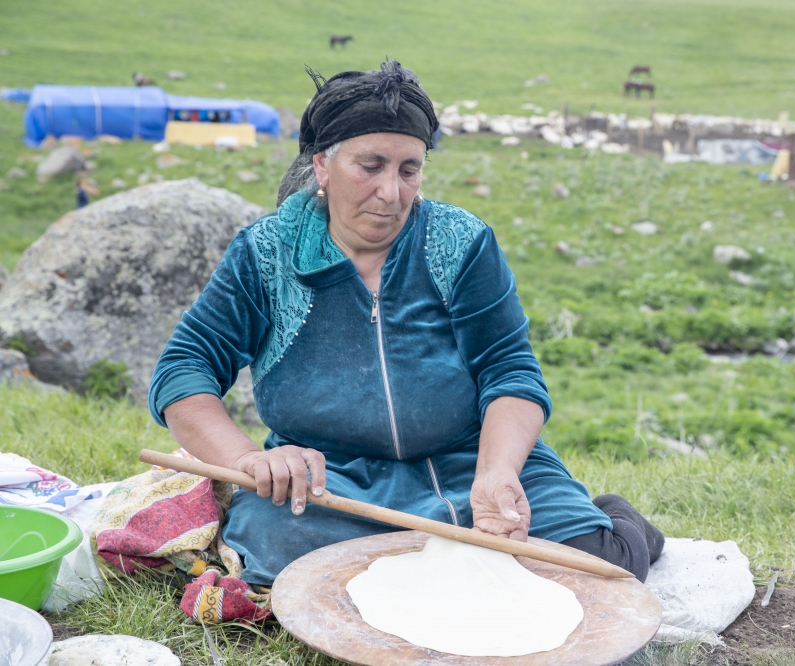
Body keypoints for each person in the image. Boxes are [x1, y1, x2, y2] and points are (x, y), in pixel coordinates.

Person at [148, 59, 664, 586]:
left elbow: (510, 371)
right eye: (370, 165)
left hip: (470, 464)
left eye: (408, 170)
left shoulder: (461, 243)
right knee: (276, 563)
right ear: (322, 165)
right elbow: (183, 371)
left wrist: (498, 471)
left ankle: (615, 516)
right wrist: (249, 459)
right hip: (335, 485)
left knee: (602, 567)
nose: (392, 192)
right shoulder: (265, 254)